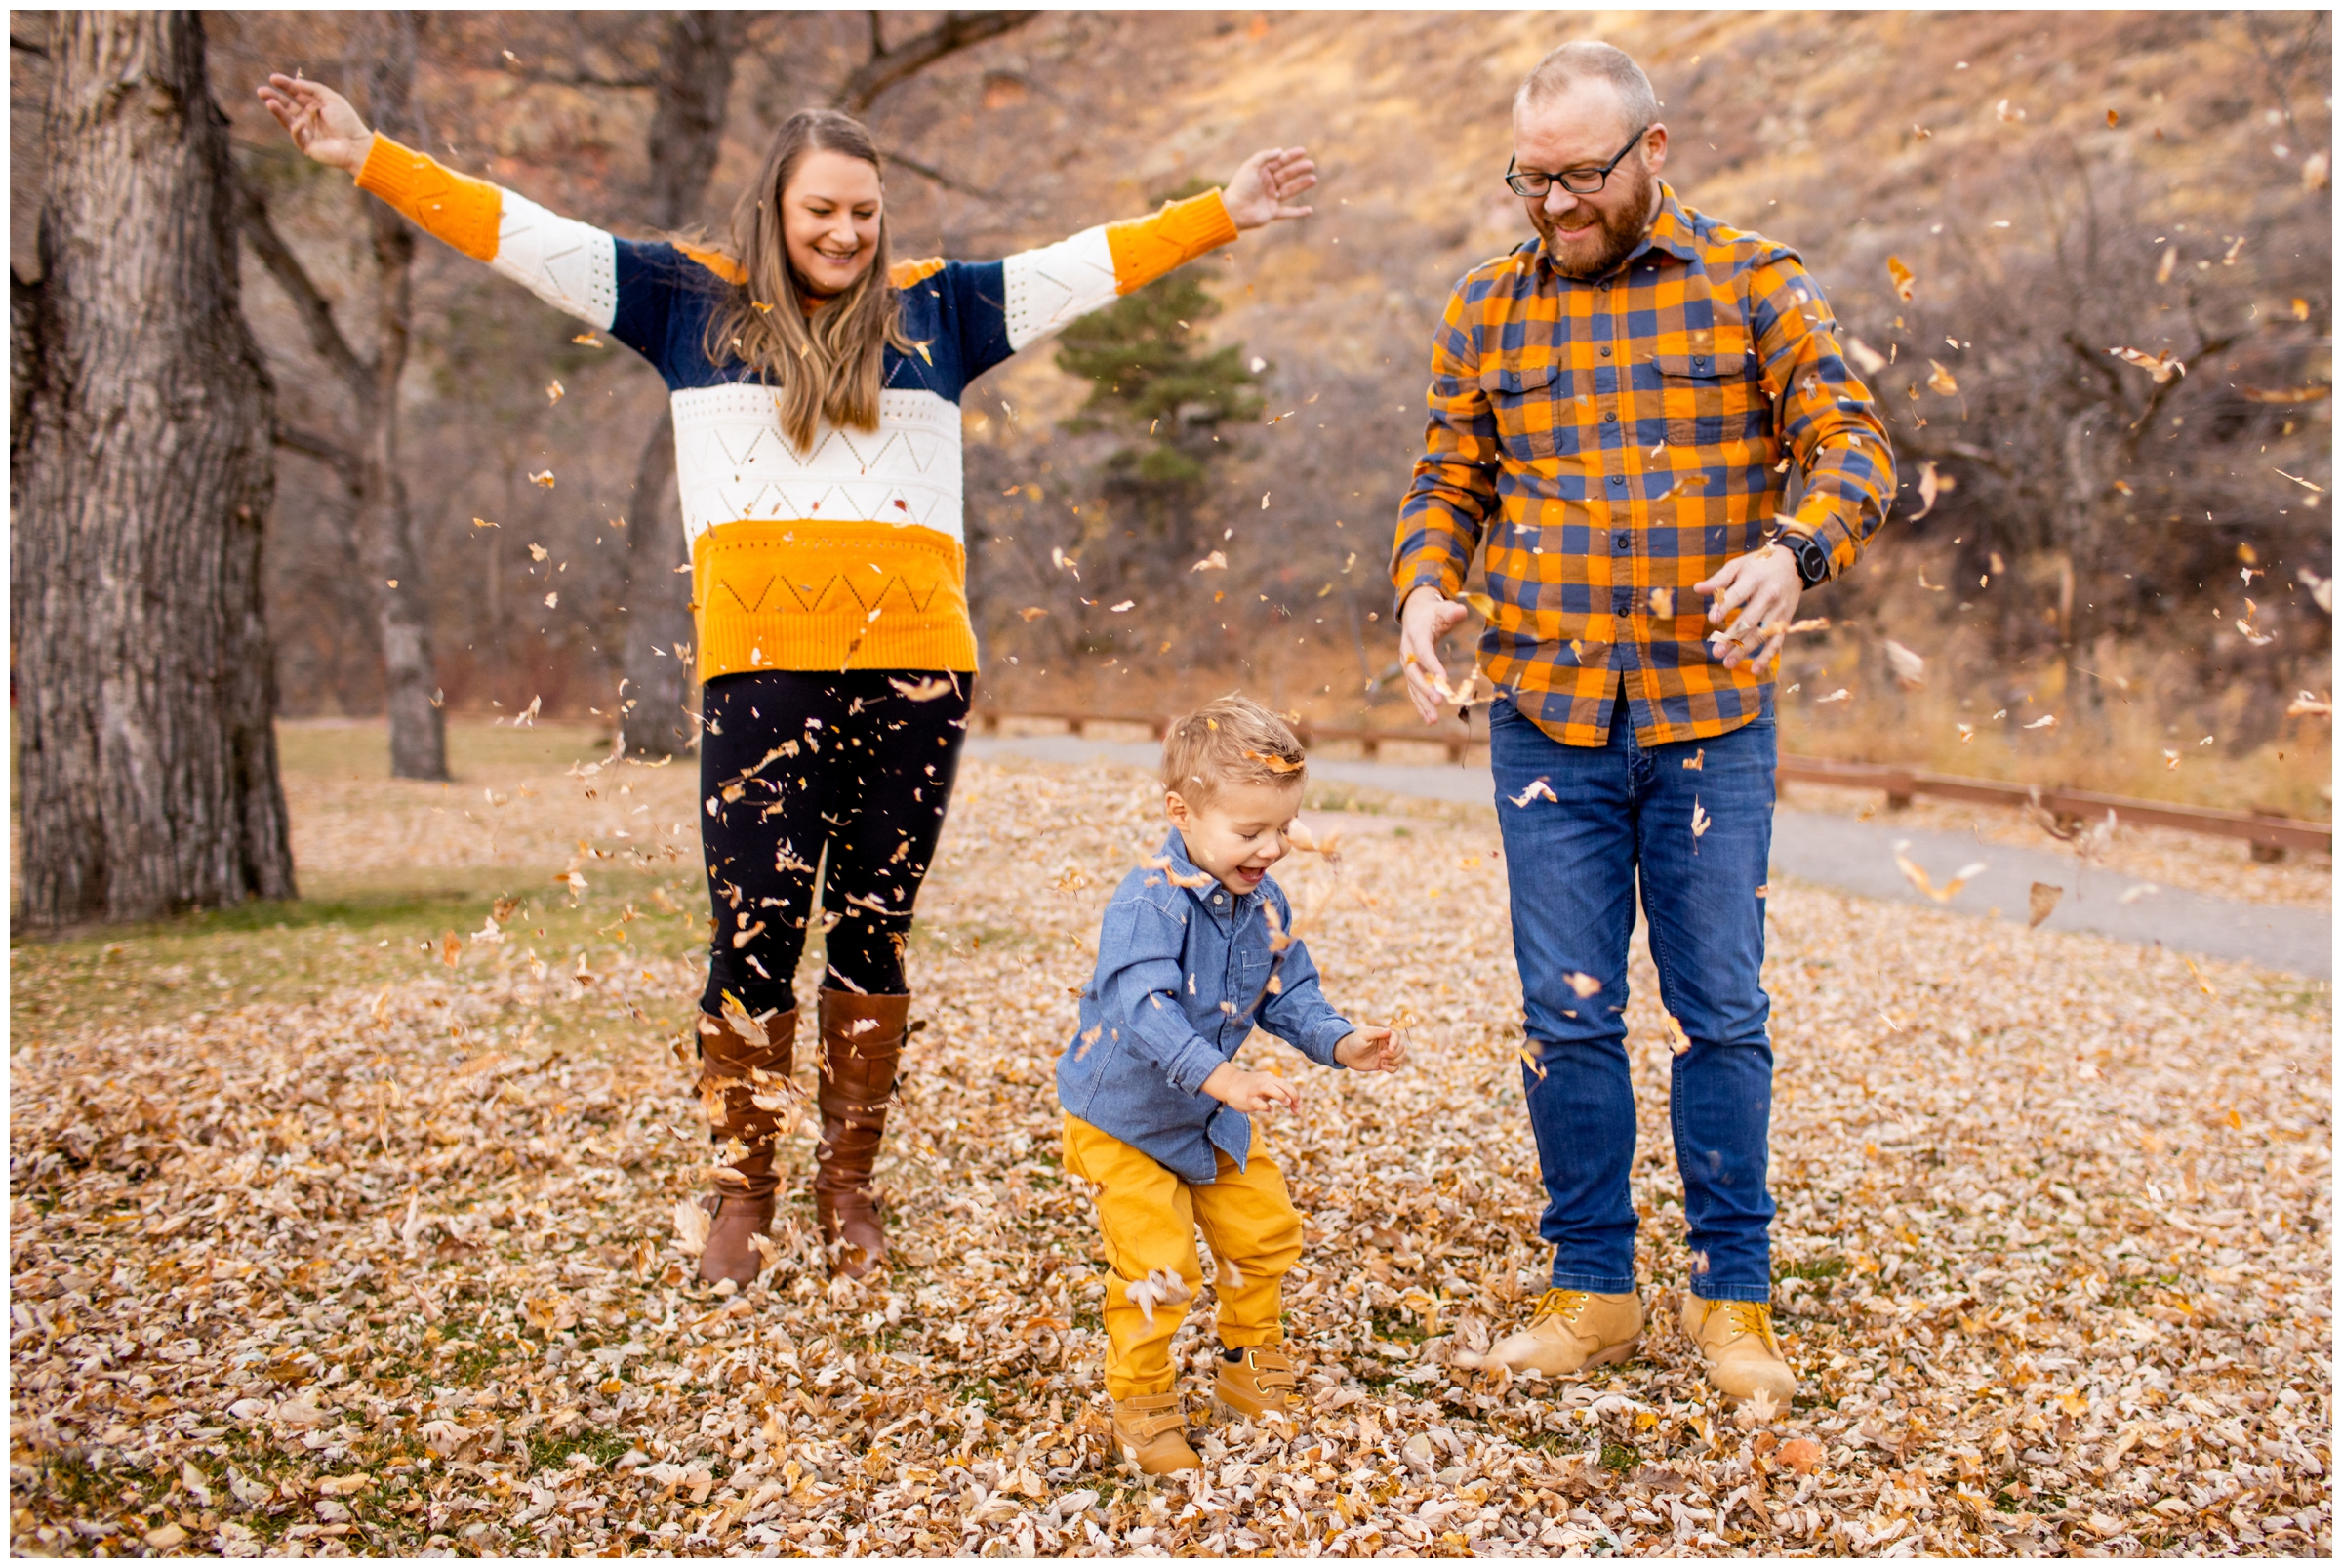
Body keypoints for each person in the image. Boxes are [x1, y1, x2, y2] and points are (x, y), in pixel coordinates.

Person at [259, 74, 1318, 1287]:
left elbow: (1090, 263)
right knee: (755, 928)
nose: (845, 235)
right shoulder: (683, 303)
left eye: (864, 214)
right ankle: (743, 1189)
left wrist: (1221, 210)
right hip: (760, 678)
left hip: (917, 676)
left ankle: (848, 1184)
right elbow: (522, 233)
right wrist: (367, 155)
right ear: (777, 204)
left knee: (875, 926)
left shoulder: (942, 313)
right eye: (823, 211)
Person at [1391, 41, 1894, 1404]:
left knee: (1720, 1009)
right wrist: (1426, 583)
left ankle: (1735, 1296)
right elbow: (1449, 473)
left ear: (1652, 152)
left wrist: (1793, 551)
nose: (1554, 205)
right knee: (1566, 1013)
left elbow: (1853, 441)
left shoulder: (1751, 281)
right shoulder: (1487, 305)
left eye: (1580, 176)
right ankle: (1594, 1289)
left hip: (1707, 715)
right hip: (1546, 713)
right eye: (1531, 178)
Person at [1056, 696, 1405, 1472]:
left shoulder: (1263, 900)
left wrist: (1343, 1041)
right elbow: (1140, 1008)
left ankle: (1248, 1369)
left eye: (1282, 828)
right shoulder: (1149, 899)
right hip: (1127, 1119)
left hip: (1211, 1117)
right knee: (1160, 1262)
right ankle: (1142, 1401)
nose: (1273, 849)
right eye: (1251, 832)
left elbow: (1290, 993)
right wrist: (1222, 1075)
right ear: (1181, 811)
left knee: (1263, 1230)